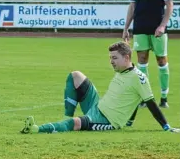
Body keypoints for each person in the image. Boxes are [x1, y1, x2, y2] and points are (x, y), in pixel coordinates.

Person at [20, 41, 179, 134]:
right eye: (110, 58)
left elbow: (150, 103)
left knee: (75, 123)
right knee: (76, 76)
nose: (111, 61)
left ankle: (36, 129)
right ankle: (67, 115)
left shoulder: (139, 78)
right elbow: (136, 99)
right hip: (97, 105)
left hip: (106, 120)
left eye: (114, 58)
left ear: (127, 58)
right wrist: (130, 121)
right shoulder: (121, 70)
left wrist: (166, 127)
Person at [122, 0, 173, 108]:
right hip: (140, 27)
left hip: (157, 28)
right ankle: (146, 97)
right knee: (142, 61)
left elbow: (169, 4)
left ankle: (164, 98)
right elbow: (132, 6)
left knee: (161, 60)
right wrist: (126, 27)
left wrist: (163, 25)